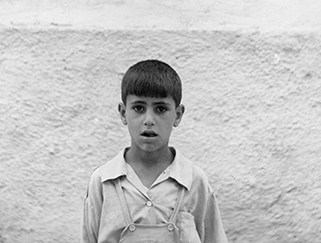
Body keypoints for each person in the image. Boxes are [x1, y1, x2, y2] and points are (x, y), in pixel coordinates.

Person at [82, 59, 228, 243]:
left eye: (160, 109)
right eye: (138, 108)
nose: (149, 119)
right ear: (122, 112)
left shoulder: (194, 180)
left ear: (178, 115)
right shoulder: (103, 182)